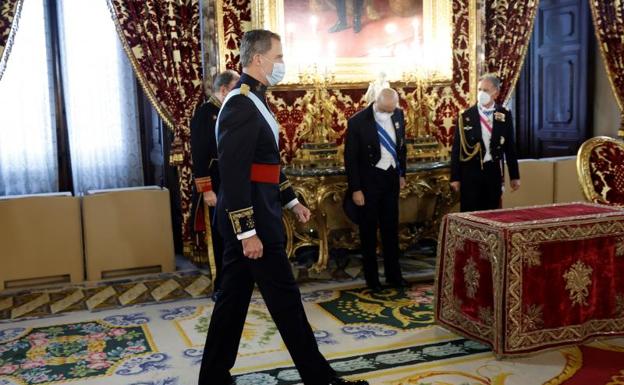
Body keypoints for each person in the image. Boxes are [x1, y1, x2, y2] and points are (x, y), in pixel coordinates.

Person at [197, 29, 368, 385]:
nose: (282, 63)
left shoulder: (255, 99)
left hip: (259, 216)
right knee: (287, 304)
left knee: (231, 302)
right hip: (253, 224)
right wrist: (247, 232)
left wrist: (292, 201)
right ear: (258, 59)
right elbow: (234, 173)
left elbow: (266, 164)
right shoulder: (241, 103)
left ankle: (212, 377)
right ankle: (322, 380)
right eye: (278, 57)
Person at [344, 88, 408, 291]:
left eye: (393, 109)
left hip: (390, 179)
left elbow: (401, 147)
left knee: (391, 230)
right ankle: (372, 279)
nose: (390, 113)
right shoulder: (357, 121)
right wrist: (356, 189)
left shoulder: (398, 114)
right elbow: (351, 159)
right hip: (368, 183)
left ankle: (394, 275)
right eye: (386, 110)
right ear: (376, 102)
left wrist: (401, 174)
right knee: (368, 233)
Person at [190, 70, 240, 300]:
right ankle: (222, 286)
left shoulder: (230, 110)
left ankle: (237, 281)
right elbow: (199, 155)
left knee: (236, 233)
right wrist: (206, 189)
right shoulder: (205, 114)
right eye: (235, 87)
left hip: (232, 179)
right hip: (215, 181)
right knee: (220, 235)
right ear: (223, 90)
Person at [450, 73, 521, 212]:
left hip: (492, 171)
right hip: (470, 172)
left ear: (496, 93)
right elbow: (456, 149)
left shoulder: (504, 114)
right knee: (470, 214)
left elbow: (510, 147)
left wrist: (514, 176)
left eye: (486, 90)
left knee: (491, 213)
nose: (481, 93)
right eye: (479, 90)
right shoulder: (466, 116)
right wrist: (455, 177)